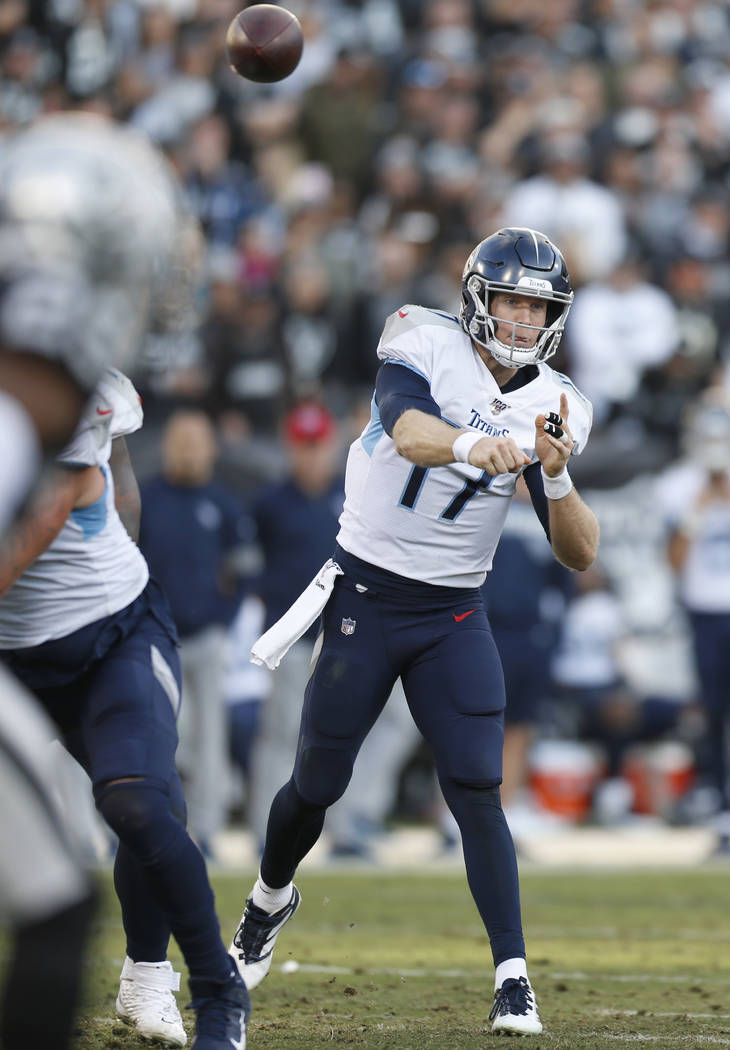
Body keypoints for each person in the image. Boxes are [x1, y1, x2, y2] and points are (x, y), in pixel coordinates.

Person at [229, 226, 599, 1036]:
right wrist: (481, 444)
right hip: (366, 592)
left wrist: (557, 471)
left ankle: (513, 976)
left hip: (454, 612)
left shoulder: (558, 402)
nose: (522, 319)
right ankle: (268, 898)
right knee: (317, 783)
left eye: (537, 306)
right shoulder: (420, 337)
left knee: (475, 785)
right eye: (509, 299)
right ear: (476, 297)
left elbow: (579, 553)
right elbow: (406, 429)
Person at [0, 111, 190, 1050]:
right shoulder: (33, 387)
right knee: (53, 901)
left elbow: (108, 483)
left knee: (125, 818)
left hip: (94, 629)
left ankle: (151, 977)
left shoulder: (85, 393)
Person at [0, 368, 250, 1050]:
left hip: (109, 631)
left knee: (140, 802)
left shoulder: (47, 371)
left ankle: (205, 990)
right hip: (12, 659)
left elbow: (73, 488)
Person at [139, 409, 256, 856]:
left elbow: (245, 568)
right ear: (167, 446)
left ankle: (204, 829)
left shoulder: (223, 503)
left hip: (207, 637)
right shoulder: (147, 500)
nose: (188, 449)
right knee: (158, 731)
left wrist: (223, 618)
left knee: (210, 736)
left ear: (211, 447)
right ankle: (150, 823)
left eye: (196, 439)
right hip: (156, 636)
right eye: (180, 439)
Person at [655, 390, 730, 853]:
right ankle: (723, 810)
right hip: (705, 612)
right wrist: (699, 509)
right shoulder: (679, 486)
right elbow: (674, 561)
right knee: (716, 713)